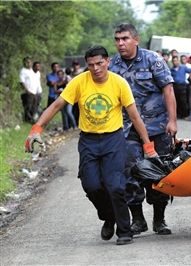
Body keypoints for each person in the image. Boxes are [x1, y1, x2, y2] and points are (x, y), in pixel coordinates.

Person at [25, 45, 156, 245]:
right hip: (89, 140)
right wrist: (36, 129)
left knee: (115, 186)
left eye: (99, 63)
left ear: (108, 62)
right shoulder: (79, 82)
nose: (95, 68)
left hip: (113, 139)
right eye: (91, 65)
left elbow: (135, 117)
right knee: (91, 185)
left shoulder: (119, 83)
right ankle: (108, 216)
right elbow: (57, 105)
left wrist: (148, 146)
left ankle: (124, 230)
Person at [109, 23, 177, 235]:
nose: (121, 43)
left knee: (158, 173)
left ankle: (159, 220)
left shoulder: (153, 60)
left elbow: (168, 89)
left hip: (156, 127)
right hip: (127, 130)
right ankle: (138, 220)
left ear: (136, 39)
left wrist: (172, 120)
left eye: (125, 38)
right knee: (130, 173)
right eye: (117, 39)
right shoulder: (112, 66)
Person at [19, 57, 38, 123]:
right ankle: (27, 121)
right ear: (24, 63)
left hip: (34, 92)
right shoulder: (23, 71)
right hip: (28, 92)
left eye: (29, 62)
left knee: (34, 108)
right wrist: (27, 91)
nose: (28, 63)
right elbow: (22, 82)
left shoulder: (31, 71)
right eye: (26, 62)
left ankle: (32, 120)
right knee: (28, 107)